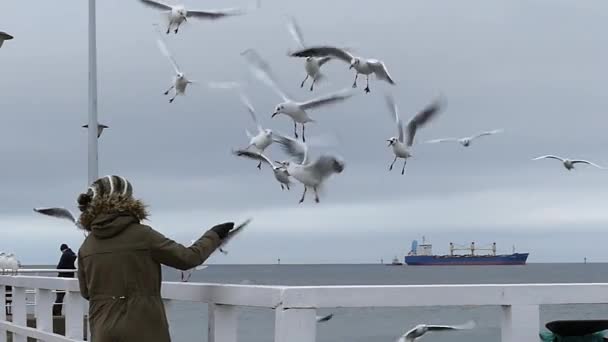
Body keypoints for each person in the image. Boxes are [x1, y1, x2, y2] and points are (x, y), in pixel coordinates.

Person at [76, 175, 234, 342]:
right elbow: (188, 258)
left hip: (103, 331)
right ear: (125, 199)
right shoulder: (142, 235)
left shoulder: (87, 246)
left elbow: (86, 292)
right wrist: (214, 235)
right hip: (143, 329)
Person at [53, 243, 77, 316]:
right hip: (71, 278)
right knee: (72, 297)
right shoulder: (74, 254)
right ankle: (73, 313)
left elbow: (59, 267)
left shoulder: (65, 255)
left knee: (59, 297)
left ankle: (56, 312)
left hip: (63, 278)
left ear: (62, 250)